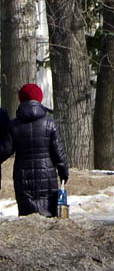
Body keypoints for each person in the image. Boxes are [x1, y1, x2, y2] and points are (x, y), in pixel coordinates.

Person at [8, 83, 69, 217]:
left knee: (27, 218)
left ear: (21, 99)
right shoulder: (50, 123)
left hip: (23, 177)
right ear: (40, 99)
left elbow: (6, 149)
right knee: (49, 216)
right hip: (47, 176)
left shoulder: (13, 125)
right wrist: (63, 172)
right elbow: (58, 152)